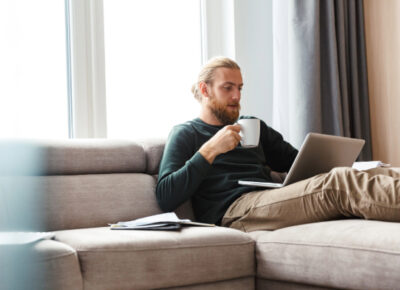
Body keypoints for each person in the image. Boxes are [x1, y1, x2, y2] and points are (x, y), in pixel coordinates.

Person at [156, 57, 400, 232]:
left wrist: (334, 162)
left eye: (239, 88)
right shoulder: (186, 133)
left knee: (378, 171)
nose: (237, 97)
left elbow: (298, 162)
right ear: (205, 90)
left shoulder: (251, 125)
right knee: (337, 184)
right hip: (235, 210)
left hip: (272, 197)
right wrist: (210, 149)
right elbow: (166, 195)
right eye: (227, 88)